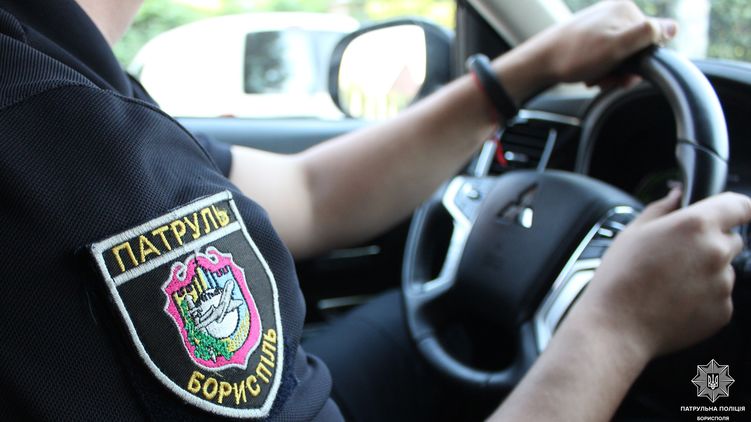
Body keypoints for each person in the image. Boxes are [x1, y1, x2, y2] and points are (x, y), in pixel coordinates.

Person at [0, 0, 747, 421]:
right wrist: (619, 324)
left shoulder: (61, 69)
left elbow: (308, 193)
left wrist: (526, 70)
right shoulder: (63, 142)